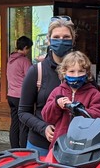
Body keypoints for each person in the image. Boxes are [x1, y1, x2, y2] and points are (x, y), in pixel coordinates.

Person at [18, 16, 76, 157]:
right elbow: (23, 112)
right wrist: (42, 128)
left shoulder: (82, 72)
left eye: (66, 37)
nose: (61, 40)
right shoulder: (36, 71)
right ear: (48, 40)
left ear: (73, 40)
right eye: (56, 37)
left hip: (75, 146)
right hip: (40, 146)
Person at [42, 51, 100, 148]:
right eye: (71, 71)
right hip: (59, 144)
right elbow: (46, 116)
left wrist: (79, 110)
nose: (76, 75)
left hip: (85, 145)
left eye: (81, 71)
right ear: (64, 72)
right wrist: (56, 105)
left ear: (87, 73)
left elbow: (98, 117)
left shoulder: (94, 94)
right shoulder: (57, 91)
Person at [6, 36, 33, 148]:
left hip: (11, 96)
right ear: (25, 47)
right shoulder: (24, 61)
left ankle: (14, 148)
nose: (28, 52)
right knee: (24, 124)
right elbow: (31, 78)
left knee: (15, 124)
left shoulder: (10, 60)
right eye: (29, 49)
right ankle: (23, 149)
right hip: (21, 97)